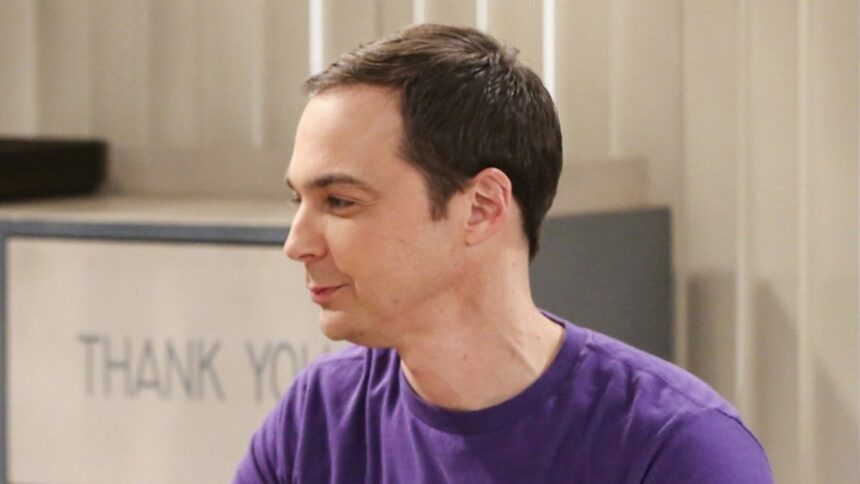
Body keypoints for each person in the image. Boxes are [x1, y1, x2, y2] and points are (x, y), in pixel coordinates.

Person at [234, 24, 773, 483]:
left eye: (340, 201)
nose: (296, 244)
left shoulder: (677, 450)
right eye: (299, 201)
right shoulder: (318, 421)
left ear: (482, 208)